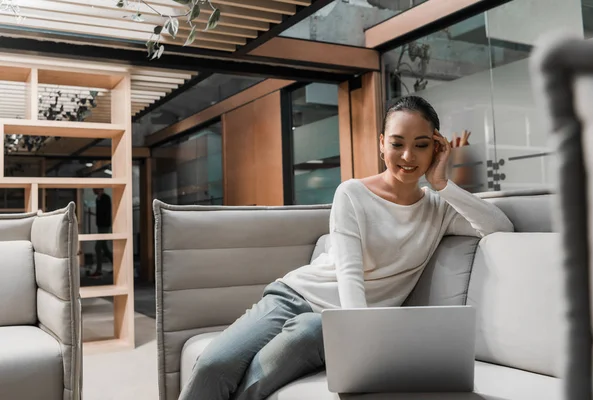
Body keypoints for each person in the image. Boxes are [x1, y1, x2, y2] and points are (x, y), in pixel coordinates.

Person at [179, 96, 514, 400]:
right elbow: (350, 277)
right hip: (293, 296)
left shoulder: (439, 208)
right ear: (382, 145)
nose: (408, 156)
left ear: (436, 149)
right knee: (214, 364)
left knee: (277, 359)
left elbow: (499, 227)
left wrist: (442, 183)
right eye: (397, 143)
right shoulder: (351, 193)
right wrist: (360, 341)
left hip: (326, 324)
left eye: (421, 145)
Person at [90, 188, 112, 278]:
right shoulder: (97, 199)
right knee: (104, 248)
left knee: (98, 247)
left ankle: (99, 270)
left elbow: (106, 211)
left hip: (105, 225)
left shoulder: (106, 198)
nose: (93, 190)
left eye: (94, 189)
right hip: (100, 225)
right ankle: (117, 264)